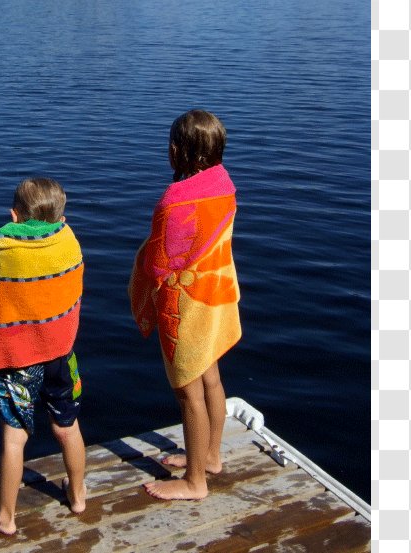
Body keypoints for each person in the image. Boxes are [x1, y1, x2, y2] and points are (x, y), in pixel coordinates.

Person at [129, 109, 242, 500]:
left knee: (188, 391)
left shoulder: (175, 201)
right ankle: (210, 457)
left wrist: (142, 264)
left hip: (187, 306)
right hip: (216, 297)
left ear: (178, 151)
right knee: (211, 377)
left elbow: (160, 263)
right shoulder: (223, 184)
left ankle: (196, 482)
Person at [0, 177, 87, 535]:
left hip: (19, 358)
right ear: (60, 214)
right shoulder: (70, 243)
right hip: (61, 353)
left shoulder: (3, 251)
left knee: (14, 436)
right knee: (67, 426)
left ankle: (5, 517)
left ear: (14, 215)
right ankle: (79, 496)